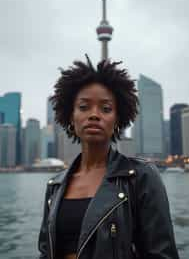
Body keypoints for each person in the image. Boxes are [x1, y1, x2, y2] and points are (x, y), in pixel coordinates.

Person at [38, 56, 179, 259]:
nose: (94, 115)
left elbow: (161, 254)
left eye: (106, 109)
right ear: (71, 117)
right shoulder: (55, 185)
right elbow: (45, 252)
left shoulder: (141, 177)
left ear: (117, 119)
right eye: (84, 107)